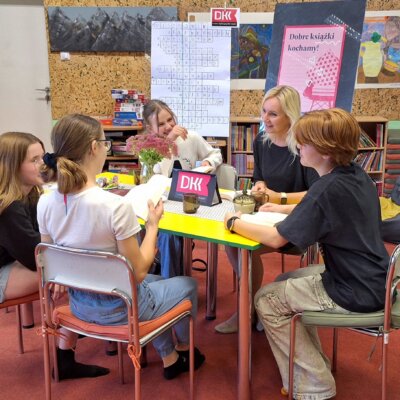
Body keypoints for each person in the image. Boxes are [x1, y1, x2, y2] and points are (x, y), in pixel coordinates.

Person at [224, 108, 389, 399]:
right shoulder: (356, 177)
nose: (298, 146)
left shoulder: (326, 189)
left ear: (325, 151)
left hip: (353, 289)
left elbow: (276, 238)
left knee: (267, 300)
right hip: (374, 278)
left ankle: (314, 385)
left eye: (305, 142)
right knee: (289, 278)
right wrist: (282, 207)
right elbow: (317, 207)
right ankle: (314, 367)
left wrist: (235, 222)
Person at [38, 114, 205, 381]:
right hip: (121, 308)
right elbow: (138, 272)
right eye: (105, 143)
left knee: (158, 282)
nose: (105, 148)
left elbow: (51, 259)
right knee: (186, 285)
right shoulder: (114, 207)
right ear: (94, 147)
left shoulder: (45, 202)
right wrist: (152, 227)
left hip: (79, 305)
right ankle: (185, 350)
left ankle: (170, 355)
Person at [215, 85, 319, 333]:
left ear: (290, 116)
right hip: (267, 214)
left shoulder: (305, 145)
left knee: (243, 246)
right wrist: (260, 187)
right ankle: (250, 307)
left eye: (273, 114)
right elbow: (259, 177)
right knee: (233, 242)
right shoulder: (261, 142)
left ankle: (251, 310)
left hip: (298, 219)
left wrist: (281, 198)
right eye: (264, 111)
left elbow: (316, 194)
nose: (265, 119)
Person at [142, 100, 223, 278]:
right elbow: (153, 173)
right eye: (161, 124)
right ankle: (145, 274)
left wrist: (209, 162)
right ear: (149, 128)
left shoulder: (190, 137)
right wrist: (168, 142)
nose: (169, 126)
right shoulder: (147, 147)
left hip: (187, 203)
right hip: (160, 203)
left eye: (170, 120)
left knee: (169, 235)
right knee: (135, 225)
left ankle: (170, 282)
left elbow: (215, 153)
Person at [0, 132, 44, 326]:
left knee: (67, 268)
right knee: (71, 272)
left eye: (43, 156)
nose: (44, 165)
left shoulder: (30, 194)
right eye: (35, 160)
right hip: (5, 269)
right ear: (13, 167)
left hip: (13, 260)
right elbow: (34, 257)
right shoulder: (8, 206)